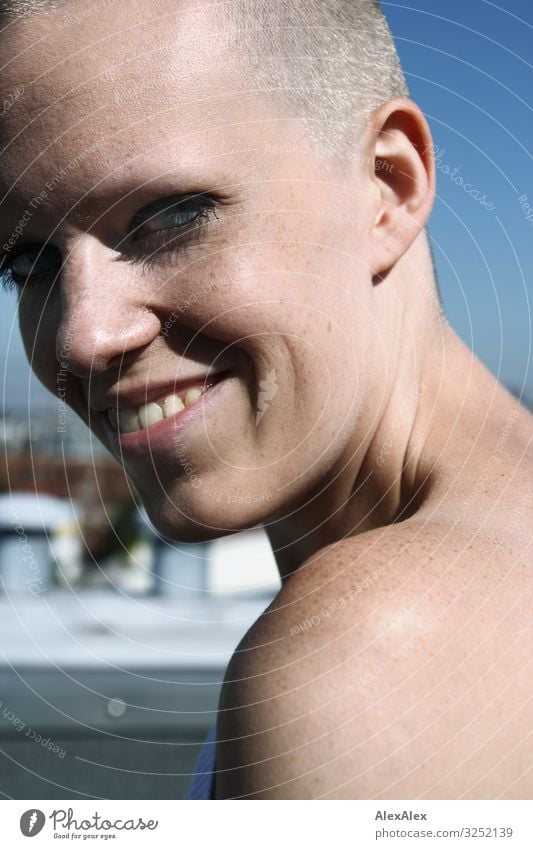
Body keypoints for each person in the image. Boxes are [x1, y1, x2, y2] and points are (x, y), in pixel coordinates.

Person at [0, 0, 531, 799]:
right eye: (31, 262)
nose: (83, 336)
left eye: (171, 217)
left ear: (387, 186)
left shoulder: (376, 653)